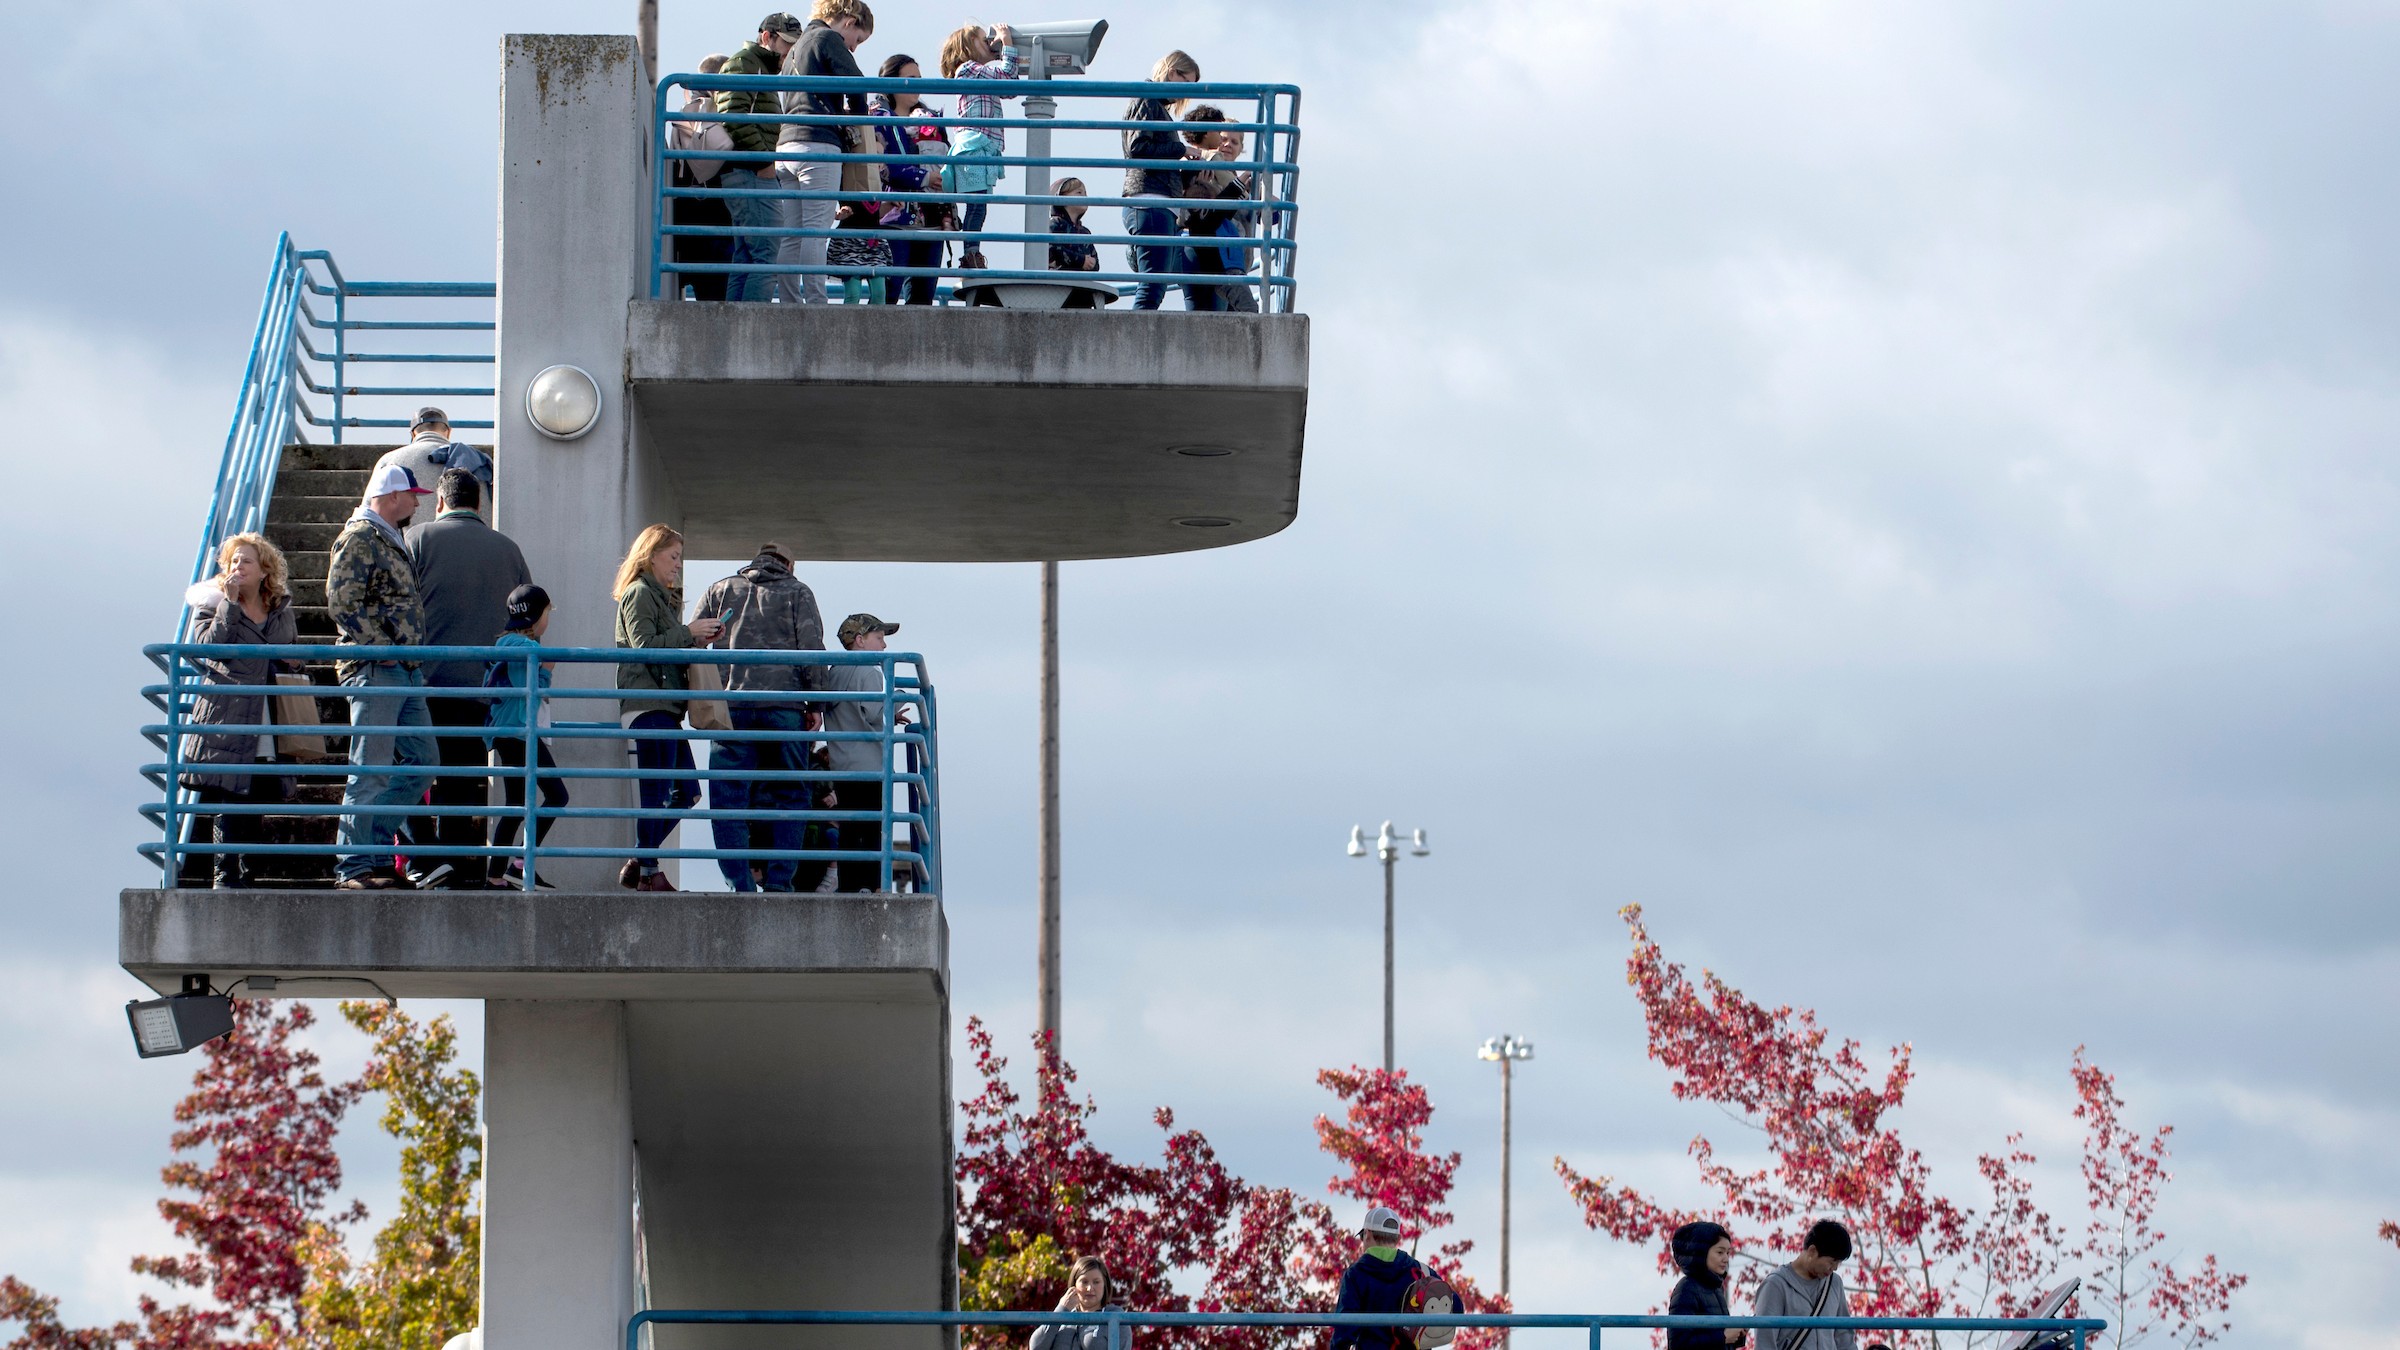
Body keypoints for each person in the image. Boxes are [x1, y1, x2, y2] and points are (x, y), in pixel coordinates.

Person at [407, 469, 531, 886]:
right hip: (485, 690)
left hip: (424, 685)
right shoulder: (509, 550)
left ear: (439, 503)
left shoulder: (417, 540)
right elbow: (528, 618)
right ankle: (457, 873)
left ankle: (427, 859)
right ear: (480, 505)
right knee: (461, 783)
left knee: (406, 770)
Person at [693, 544, 827, 892]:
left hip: (731, 708)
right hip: (785, 707)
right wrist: (817, 703)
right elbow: (812, 647)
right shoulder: (797, 591)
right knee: (793, 795)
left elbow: (692, 638)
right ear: (788, 565)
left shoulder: (720, 589)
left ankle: (740, 885)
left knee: (727, 798)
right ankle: (780, 883)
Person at [330, 463, 439, 890]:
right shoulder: (360, 536)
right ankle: (354, 866)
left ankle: (371, 854)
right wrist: (383, 649)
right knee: (371, 768)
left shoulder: (383, 535)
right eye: (412, 495)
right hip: (379, 669)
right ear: (392, 496)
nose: (417, 502)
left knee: (422, 763)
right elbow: (342, 601)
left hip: (400, 669)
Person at [180, 534, 299, 890]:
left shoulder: (279, 606)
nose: (237, 567)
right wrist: (229, 604)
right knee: (229, 796)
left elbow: (292, 651)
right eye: (233, 561)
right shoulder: (212, 604)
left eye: (245, 561)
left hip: (268, 715)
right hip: (227, 714)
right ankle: (225, 877)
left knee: (257, 794)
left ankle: (247, 875)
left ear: (265, 570)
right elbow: (209, 648)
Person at [614, 525, 725, 891]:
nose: (678, 565)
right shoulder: (639, 593)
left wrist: (695, 635)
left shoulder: (659, 596)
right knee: (657, 792)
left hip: (664, 708)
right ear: (651, 554)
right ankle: (649, 870)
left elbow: (660, 645)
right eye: (673, 556)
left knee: (685, 791)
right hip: (648, 706)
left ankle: (641, 859)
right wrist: (688, 631)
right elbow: (645, 645)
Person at [775, 0, 876, 305]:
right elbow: (857, 85)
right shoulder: (827, 38)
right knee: (816, 232)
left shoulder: (795, 48)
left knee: (791, 234)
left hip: (787, 145)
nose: (854, 48)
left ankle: (790, 303)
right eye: (857, 39)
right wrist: (857, 121)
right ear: (849, 21)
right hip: (819, 145)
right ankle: (818, 305)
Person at [483, 584, 569, 890]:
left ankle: (496, 876)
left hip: (509, 732)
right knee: (558, 796)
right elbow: (535, 687)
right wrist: (545, 665)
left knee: (516, 802)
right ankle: (520, 865)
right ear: (535, 616)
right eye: (547, 613)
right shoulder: (524, 648)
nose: (548, 620)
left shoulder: (508, 645)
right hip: (519, 732)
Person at [719, 14, 806, 302]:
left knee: (748, 256)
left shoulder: (757, 67)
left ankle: (736, 328)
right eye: (786, 43)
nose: (789, 51)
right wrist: (763, 161)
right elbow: (733, 115)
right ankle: (753, 327)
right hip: (752, 171)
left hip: (747, 171)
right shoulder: (747, 62)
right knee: (767, 255)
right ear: (767, 36)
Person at [823, 613, 904, 892]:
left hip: (842, 762)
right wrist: (895, 703)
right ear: (860, 640)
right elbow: (873, 713)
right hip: (868, 764)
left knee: (849, 829)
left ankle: (849, 887)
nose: (883, 646)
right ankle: (871, 887)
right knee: (871, 830)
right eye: (878, 638)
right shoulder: (869, 670)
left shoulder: (835, 671)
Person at [1121, 51, 1202, 310]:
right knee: (1153, 284)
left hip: (1155, 201)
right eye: (1185, 83)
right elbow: (1138, 147)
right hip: (1149, 200)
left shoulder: (1155, 104)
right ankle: (1134, 343)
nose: (1185, 93)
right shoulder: (1148, 97)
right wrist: (1181, 150)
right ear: (1172, 72)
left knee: (1156, 284)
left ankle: (1136, 341)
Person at [939, 23, 1021, 269]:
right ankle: (970, 255)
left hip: (983, 148)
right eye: (984, 40)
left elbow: (1009, 89)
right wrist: (1007, 44)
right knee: (976, 206)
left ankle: (972, 253)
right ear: (966, 47)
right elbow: (1006, 80)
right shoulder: (968, 69)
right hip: (975, 147)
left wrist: (1005, 54)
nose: (990, 43)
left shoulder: (980, 73)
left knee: (979, 206)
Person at [871, 54, 948, 306]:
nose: (916, 83)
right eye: (909, 78)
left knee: (924, 297)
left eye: (919, 78)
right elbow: (884, 167)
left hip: (932, 219)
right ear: (891, 81)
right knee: (889, 291)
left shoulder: (932, 119)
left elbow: (948, 164)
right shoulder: (878, 119)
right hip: (896, 216)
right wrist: (925, 176)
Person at [1178, 106, 1259, 313]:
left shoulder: (1222, 170)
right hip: (1216, 253)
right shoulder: (1206, 162)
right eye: (1222, 138)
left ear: (1242, 148)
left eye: (1234, 142)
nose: (1226, 145)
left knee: (1211, 315)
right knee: (1217, 314)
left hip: (1231, 255)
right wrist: (1241, 187)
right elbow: (1209, 215)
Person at [671, 53, 738, 299]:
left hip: (689, 213)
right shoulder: (721, 112)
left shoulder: (685, 114)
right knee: (722, 289)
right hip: (717, 212)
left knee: (706, 291)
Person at [1332, 1207, 1438, 1350]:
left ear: (1368, 1234)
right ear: (1398, 1238)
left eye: (1362, 1236)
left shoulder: (1356, 1274)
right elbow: (1455, 1307)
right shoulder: (1420, 1271)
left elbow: (1345, 1330)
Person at [372, 408, 494, 528]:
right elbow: (489, 514)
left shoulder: (389, 460)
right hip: (461, 542)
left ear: (413, 433)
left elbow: (371, 508)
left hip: (404, 545)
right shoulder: (474, 460)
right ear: (449, 432)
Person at [1752, 1221, 1856, 1350]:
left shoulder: (1834, 1283)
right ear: (1812, 1251)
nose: (1834, 1268)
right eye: (1832, 1261)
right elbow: (1765, 1341)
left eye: (1838, 1263)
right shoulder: (1776, 1285)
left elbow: (1844, 1336)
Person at [1667, 1221, 1744, 1350]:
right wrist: (1723, 1337)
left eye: (1728, 1253)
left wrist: (1737, 1335)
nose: (1726, 1259)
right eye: (1720, 1252)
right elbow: (1678, 1344)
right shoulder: (1686, 1288)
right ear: (1701, 1253)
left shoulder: (1716, 1288)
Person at [1030, 1255, 1124, 1350]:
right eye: (1084, 1282)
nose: (1090, 1288)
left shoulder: (1116, 1315)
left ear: (1105, 1285)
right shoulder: (1063, 1316)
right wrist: (1061, 1310)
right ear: (1074, 1285)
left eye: (1096, 1282)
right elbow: (1036, 1346)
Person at [1047, 177, 1098, 272]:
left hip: (1080, 282)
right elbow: (1051, 250)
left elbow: (1096, 264)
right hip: (1058, 282)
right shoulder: (1055, 224)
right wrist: (1081, 261)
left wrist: (1091, 263)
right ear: (1061, 197)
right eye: (1079, 192)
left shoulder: (1085, 232)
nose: (1085, 197)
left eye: (1085, 193)